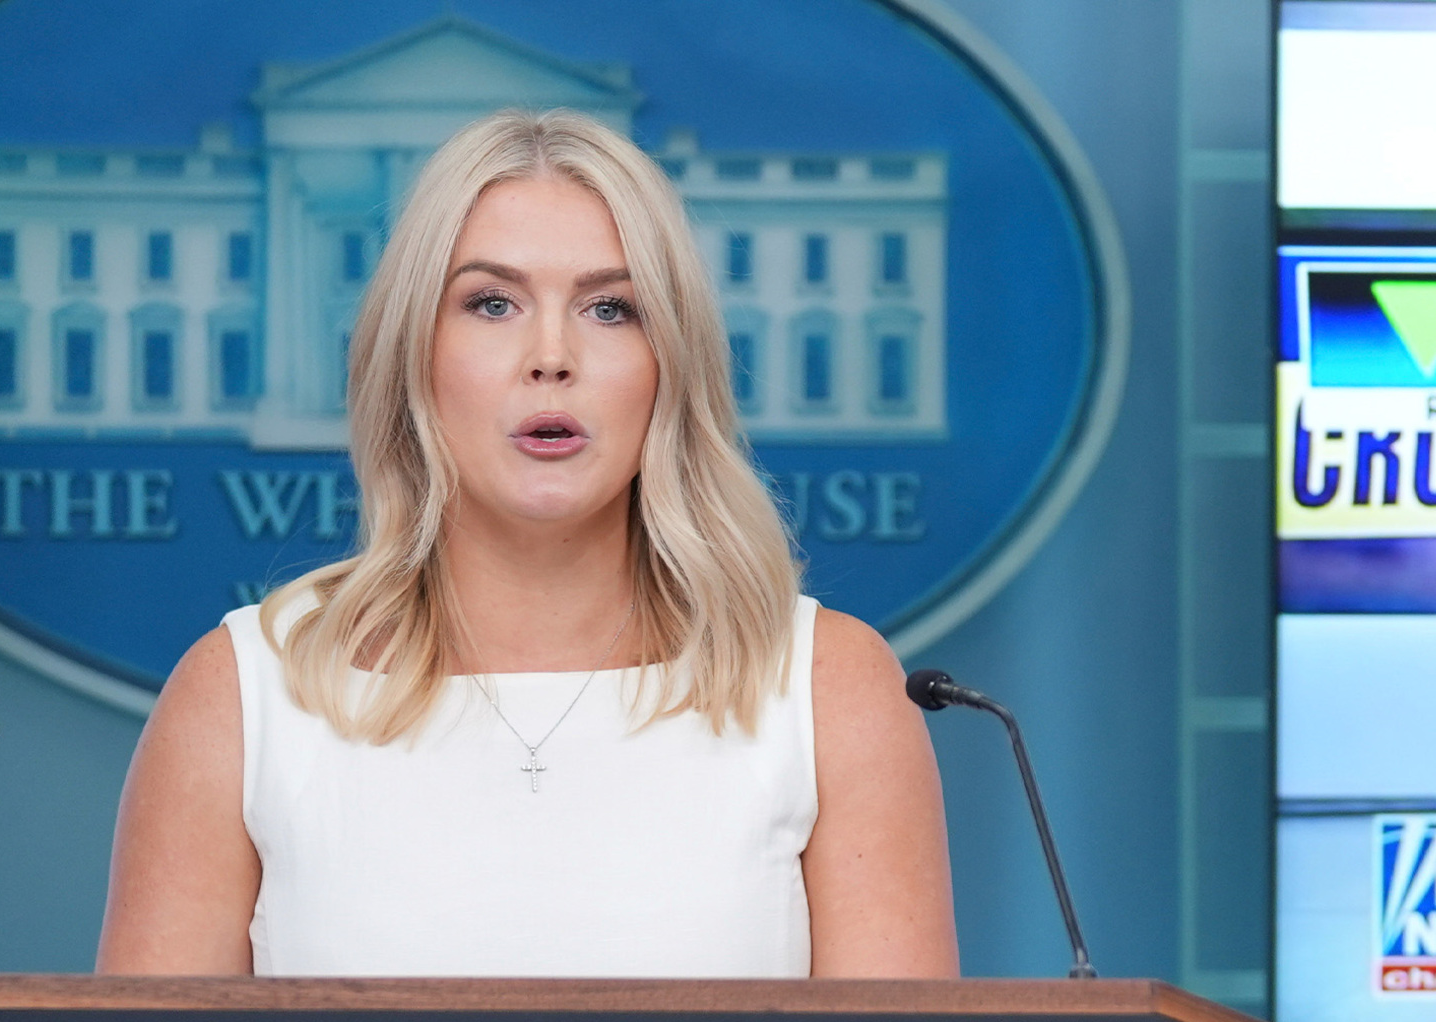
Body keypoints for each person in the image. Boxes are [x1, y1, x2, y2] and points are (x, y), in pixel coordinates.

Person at [97, 108, 957, 978]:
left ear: (673, 362)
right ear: (413, 354)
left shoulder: (828, 689)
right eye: (492, 303)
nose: (551, 356)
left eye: (610, 308)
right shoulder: (244, 695)